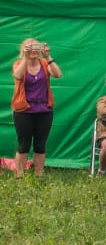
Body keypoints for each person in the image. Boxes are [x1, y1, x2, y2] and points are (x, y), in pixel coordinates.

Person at [10, 38, 62, 178]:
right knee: (23, 144)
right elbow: (18, 75)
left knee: (40, 144)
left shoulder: (45, 64)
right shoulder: (18, 64)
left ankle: (39, 175)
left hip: (44, 110)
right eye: (29, 47)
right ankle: (19, 175)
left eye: (35, 47)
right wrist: (26, 58)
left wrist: (48, 56)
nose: (33, 50)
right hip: (23, 111)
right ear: (24, 50)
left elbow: (58, 74)